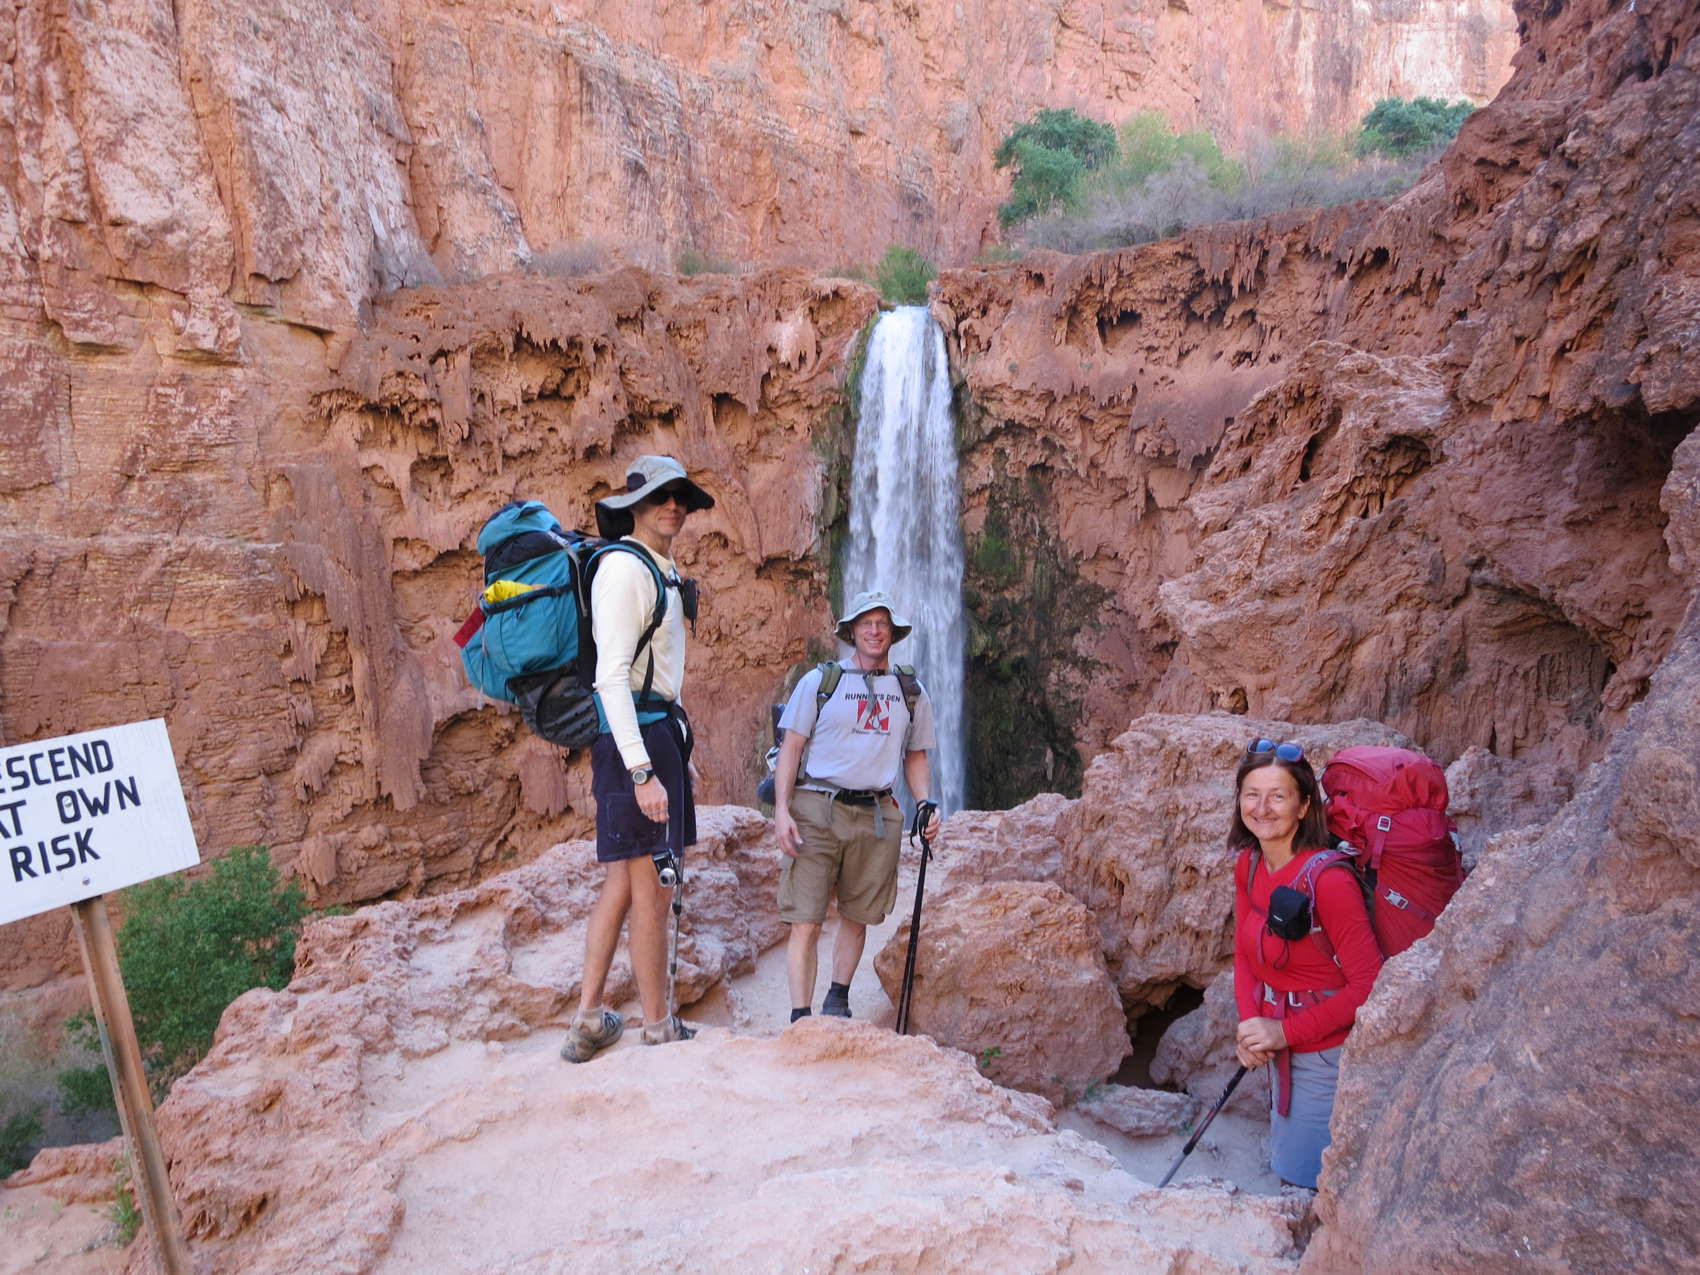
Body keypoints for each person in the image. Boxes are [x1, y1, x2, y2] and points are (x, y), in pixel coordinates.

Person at [561, 455, 713, 1062]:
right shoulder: (626, 569)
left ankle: (588, 1018)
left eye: (680, 497)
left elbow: (656, 676)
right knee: (653, 889)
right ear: (634, 507)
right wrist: (644, 770)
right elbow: (612, 678)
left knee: (625, 882)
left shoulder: (658, 569)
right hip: (636, 740)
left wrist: (677, 752)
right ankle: (656, 1025)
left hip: (653, 733)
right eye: (658, 497)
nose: (672, 506)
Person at [772, 590, 939, 1023]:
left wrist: (924, 802)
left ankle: (838, 998)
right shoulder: (820, 682)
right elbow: (792, 747)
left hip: (876, 813)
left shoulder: (910, 691)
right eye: (866, 623)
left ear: (893, 633)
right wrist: (781, 810)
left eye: (882, 623)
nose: (874, 630)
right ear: (851, 631)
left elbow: (915, 755)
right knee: (805, 918)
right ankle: (800, 1016)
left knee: (857, 913)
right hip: (817, 808)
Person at [1230, 738, 1383, 1188]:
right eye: (1252, 794)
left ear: (1303, 807)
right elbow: (1243, 952)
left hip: (1325, 1052)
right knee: (1290, 1160)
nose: (1262, 808)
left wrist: (1282, 1033)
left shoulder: (1329, 882)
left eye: (1278, 796)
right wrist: (1252, 1028)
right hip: (1279, 1038)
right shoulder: (1249, 864)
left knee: (1304, 1180)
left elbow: (1369, 986)